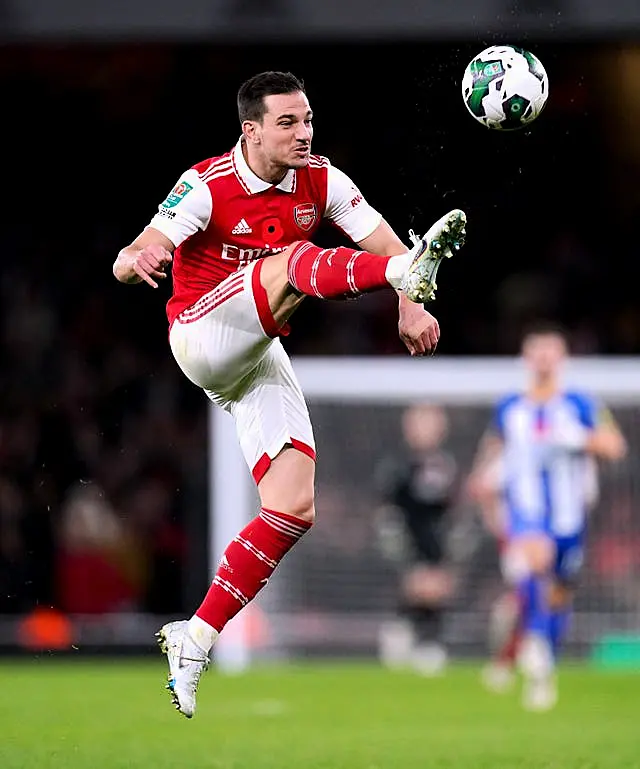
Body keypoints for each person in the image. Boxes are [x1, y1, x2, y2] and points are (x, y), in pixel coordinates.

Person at [112, 70, 467, 718]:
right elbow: (140, 246)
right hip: (201, 333)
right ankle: (395, 277)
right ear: (251, 130)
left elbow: (386, 240)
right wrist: (136, 260)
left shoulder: (324, 180)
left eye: (307, 121)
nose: (304, 134)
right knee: (294, 261)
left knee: (292, 507)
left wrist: (408, 305)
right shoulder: (208, 183)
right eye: (287, 123)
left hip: (254, 352)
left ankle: (196, 636)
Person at [468, 322, 626, 710]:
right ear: (526, 357)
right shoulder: (510, 406)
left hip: (569, 515)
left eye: (549, 351)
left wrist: (581, 438)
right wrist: (484, 487)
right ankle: (532, 657)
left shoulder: (582, 404)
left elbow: (615, 446)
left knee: (558, 593)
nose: (542, 358)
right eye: (535, 350)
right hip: (526, 511)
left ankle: (543, 662)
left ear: (562, 357)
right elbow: (490, 454)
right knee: (534, 568)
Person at [375, 403, 457, 675]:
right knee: (400, 646)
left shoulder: (449, 467)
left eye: (431, 422)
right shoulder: (396, 468)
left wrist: (447, 565)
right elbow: (387, 521)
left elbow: (458, 520)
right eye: (419, 422)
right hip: (406, 565)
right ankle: (400, 632)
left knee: (431, 637)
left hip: (438, 563)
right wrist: (408, 568)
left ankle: (431, 641)